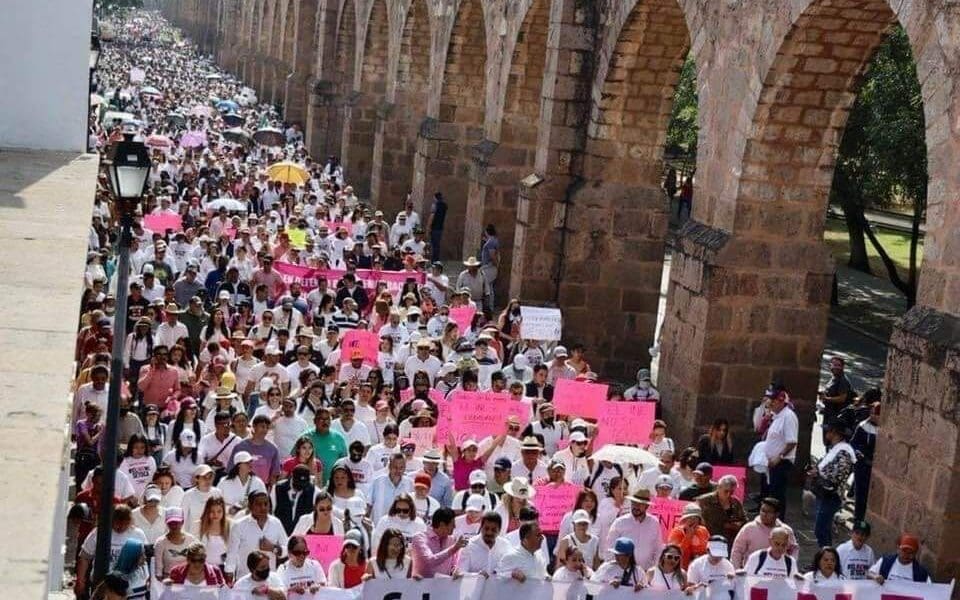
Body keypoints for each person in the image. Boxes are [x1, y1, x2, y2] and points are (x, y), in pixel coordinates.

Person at [809, 419, 856, 547]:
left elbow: (837, 477)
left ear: (834, 432)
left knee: (821, 530)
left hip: (831, 496)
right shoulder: (835, 449)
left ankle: (826, 555)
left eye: (828, 430)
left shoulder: (844, 452)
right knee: (824, 529)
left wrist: (817, 474)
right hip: (824, 494)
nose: (825, 432)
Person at [226, 491, 289, 578]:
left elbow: (287, 550)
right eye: (258, 504)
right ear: (250, 506)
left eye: (266, 504)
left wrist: (273, 548)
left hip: (269, 579)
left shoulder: (276, 523)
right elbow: (231, 553)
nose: (263, 507)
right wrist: (229, 573)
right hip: (245, 578)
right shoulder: (239, 525)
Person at [730, 498, 798, 568]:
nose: (764, 514)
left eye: (769, 512)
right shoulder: (749, 528)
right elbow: (737, 550)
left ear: (777, 514)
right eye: (762, 510)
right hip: (753, 571)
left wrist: (790, 567)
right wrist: (736, 569)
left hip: (778, 571)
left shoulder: (786, 530)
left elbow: (794, 550)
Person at [762, 385, 798, 516]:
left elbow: (792, 442)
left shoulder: (788, 417)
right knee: (771, 495)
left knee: (777, 497)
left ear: (781, 401)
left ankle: (778, 521)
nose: (770, 403)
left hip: (781, 463)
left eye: (773, 400)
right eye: (769, 399)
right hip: (772, 463)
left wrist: (778, 458)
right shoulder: (777, 416)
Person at [604, 490, 662, 569]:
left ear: (647, 506)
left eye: (640, 504)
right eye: (634, 503)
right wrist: (617, 569)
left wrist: (653, 569)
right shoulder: (620, 522)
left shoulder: (654, 523)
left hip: (645, 570)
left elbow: (658, 549)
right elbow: (609, 548)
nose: (636, 506)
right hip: (622, 570)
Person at [410, 507, 468, 578]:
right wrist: (454, 548)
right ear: (442, 524)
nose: (454, 527)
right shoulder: (419, 538)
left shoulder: (452, 540)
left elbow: (454, 565)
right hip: (422, 584)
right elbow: (431, 561)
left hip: (444, 584)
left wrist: (455, 571)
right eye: (452, 524)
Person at [301, 407, 348, 486]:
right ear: (314, 421)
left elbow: (344, 462)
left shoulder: (338, 438)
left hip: (333, 485)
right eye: (321, 419)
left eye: (327, 419)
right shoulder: (305, 437)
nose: (325, 422)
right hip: (310, 485)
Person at [697, 474, 746, 545]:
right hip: (709, 540)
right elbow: (696, 520)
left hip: (731, 541)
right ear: (718, 487)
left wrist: (737, 525)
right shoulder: (704, 501)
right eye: (726, 491)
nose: (728, 494)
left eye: (732, 492)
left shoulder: (735, 502)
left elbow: (744, 520)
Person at [154, 507, 199, 580]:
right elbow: (158, 570)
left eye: (177, 522)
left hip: (188, 579)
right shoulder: (160, 542)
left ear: (182, 522)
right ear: (166, 523)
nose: (174, 526)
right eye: (171, 523)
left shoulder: (191, 540)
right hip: (169, 580)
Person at [667, 503, 709, 569]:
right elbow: (674, 554)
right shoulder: (676, 532)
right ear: (684, 519)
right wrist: (688, 537)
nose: (693, 520)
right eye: (690, 518)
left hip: (700, 569)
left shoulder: (703, 531)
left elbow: (708, 550)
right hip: (680, 570)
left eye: (695, 517)